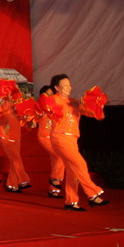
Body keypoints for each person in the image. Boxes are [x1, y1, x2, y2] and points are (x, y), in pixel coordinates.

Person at [49, 74, 109, 211]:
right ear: (57, 87)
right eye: (65, 85)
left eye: (69, 85)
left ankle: (71, 202)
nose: (68, 88)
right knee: (80, 164)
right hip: (60, 137)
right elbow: (47, 109)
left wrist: (96, 104)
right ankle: (92, 194)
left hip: (72, 139)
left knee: (73, 171)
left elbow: (92, 113)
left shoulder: (74, 102)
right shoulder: (53, 100)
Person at [0, 86, 31, 193]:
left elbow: (24, 121)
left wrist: (26, 116)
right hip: (5, 135)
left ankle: (12, 185)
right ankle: (23, 179)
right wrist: (8, 103)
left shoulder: (18, 106)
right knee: (15, 159)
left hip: (16, 137)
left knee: (14, 160)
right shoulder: (4, 104)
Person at [36, 85, 65, 198]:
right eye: (47, 94)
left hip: (54, 137)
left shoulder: (55, 106)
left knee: (55, 161)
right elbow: (34, 116)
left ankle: (53, 191)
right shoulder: (39, 106)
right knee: (60, 156)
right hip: (44, 137)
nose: (49, 96)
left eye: (51, 94)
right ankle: (55, 178)